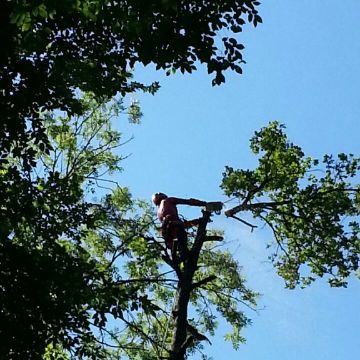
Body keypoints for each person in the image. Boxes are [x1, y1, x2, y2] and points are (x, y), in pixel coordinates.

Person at [152, 192, 222, 261]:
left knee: (182, 250)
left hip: (170, 234)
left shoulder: (159, 214)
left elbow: (182, 225)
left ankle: (183, 259)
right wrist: (204, 204)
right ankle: (185, 259)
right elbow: (188, 202)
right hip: (176, 231)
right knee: (184, 250)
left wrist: (198, 221)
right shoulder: (168, 200)